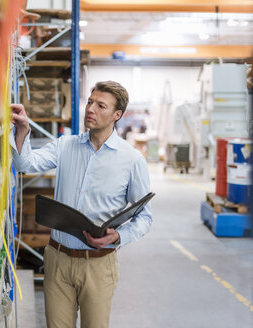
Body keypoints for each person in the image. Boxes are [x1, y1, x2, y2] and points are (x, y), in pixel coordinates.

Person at [10, 81, 152, 328]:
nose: (90, 109)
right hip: (58, 259)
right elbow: (25, 164)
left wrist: (117, 236)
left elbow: (145, 217)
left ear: (117, 115)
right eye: (89, 101)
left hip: (98, 264)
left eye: (100, 105)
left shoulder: (132, 161)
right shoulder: (65, 146)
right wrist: (22, 129)